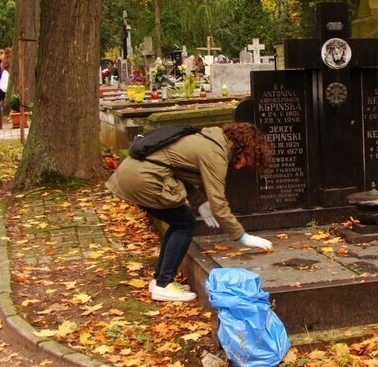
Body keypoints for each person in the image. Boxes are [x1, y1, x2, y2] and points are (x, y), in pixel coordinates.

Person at [107, 122, 274, 302]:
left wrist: (200, 202)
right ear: (244, 147)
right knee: (185, 225)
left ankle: (160, 280)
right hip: (143, 179)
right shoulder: (215, 154)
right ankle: (163, 285)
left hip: (136, 174)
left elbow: (177, 171)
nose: (242, 166)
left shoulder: (211, 140)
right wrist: (242, 236)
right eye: (248, 160)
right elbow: (218, 202)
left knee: (181, 223)